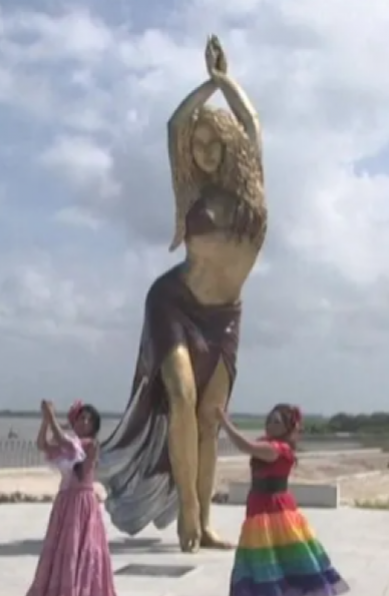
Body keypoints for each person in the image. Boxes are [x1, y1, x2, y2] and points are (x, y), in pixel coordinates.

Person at [98, 34, 268, 553]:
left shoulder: (249, 188)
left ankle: (206, 517)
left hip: (225, 317)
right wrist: (204, 86)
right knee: (182, 399)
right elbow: (174, 125)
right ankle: (187, 518)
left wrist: (226, 81)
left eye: (214, 143)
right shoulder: (190, 189)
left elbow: (253, 125)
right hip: (173, 304)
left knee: (210, 421)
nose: (205, 152)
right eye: (198, 147)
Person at [218, 404, 349, 596]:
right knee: (261, 556)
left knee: (270, 556)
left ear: (288, 427)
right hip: (259, 505)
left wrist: (226, 424)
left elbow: (244, 445)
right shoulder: (268, 444)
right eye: (269, 420)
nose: (270, 424)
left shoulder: (278, 449)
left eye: (276, 421)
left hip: (273, 509)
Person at [24, 399, 118, 596]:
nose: (84, 422)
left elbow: (65, 444)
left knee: (81, 549)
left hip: (83, 502)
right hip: (65, 501)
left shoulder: (90, 445)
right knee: (62, 549)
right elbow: (43, 444)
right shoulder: (70, 442)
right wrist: (46, 422)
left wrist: (51, 418)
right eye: (81, 418)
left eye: (88, 419)